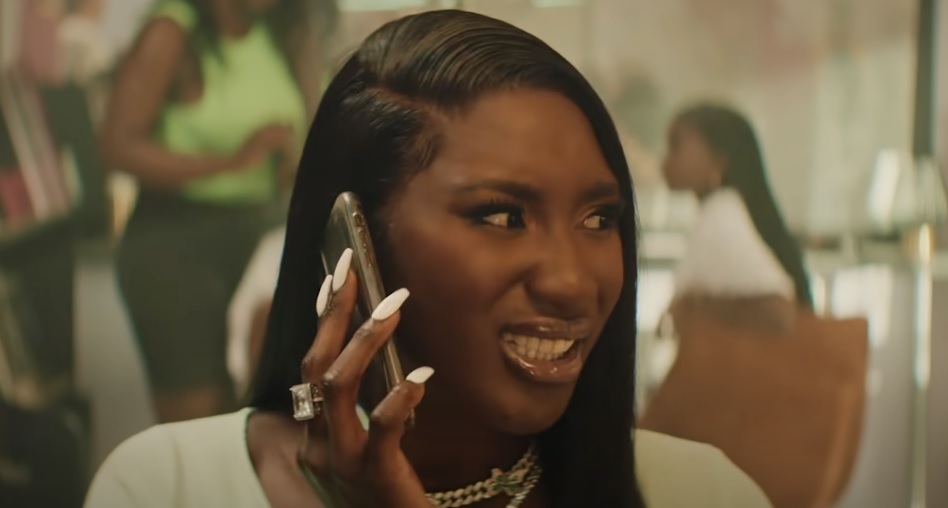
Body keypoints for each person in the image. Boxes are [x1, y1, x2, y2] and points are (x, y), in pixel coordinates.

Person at [85, 10, 772, 508]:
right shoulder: (167, 486)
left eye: (600, 218)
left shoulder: (705, 491)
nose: (571, 282)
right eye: (502, 216)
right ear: (354, 245)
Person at [99, 0, 337, 423]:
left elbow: (312, 130)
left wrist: (288, 160)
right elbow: (118, 147)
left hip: (259, 234)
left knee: (264, 413)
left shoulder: (280, 33)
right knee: (202, 419)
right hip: (175, 245)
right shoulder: (172, 32)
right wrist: (230, 164)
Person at [662, 103, 813, 318]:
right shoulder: (725, 212)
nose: (665, 161)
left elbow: (777, 305)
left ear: (719, 161)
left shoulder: (722, 214)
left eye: (675, 146)